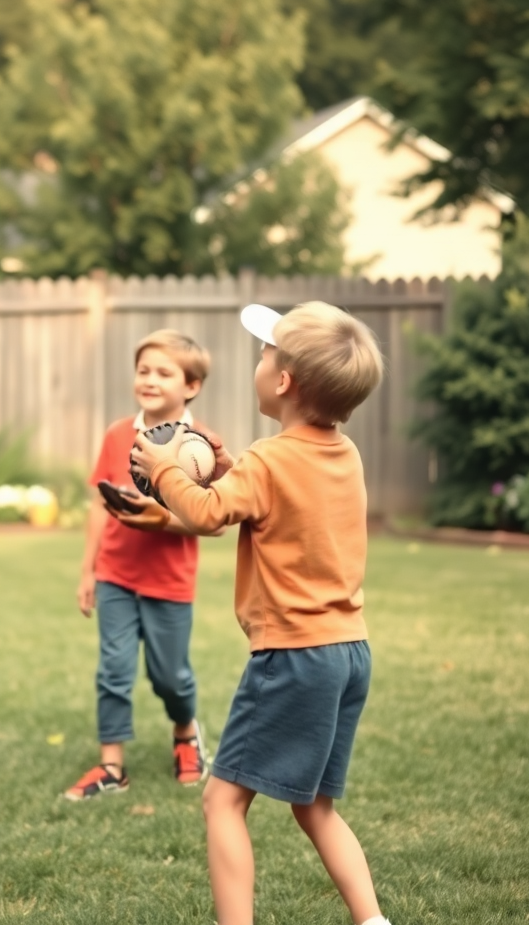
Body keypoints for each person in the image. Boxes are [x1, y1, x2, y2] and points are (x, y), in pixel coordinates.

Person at [130, 302, 391, 925]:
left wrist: (162, 469)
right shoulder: (344, 455)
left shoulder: (268, 461)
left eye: (266, 354)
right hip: (348, 652)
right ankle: (374, 921)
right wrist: (226, 471)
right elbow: (279, 505)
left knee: (222, 801)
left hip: (293, 654)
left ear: (283, 382)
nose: (260, 361)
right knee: (316, 806)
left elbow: (205, 515)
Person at [65, 329, 219, 801]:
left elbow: (213, 523)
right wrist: (88, 570)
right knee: (113, 670)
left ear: (191, 385)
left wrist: (162, 519)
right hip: (115, 575)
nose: (150, 380)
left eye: (164, 373)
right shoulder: (118, 434)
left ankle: (185, 732)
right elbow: (99, 504)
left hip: (169, 582)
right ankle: (112, 766)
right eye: (143, 370)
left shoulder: (200, 446)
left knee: (170, 676)